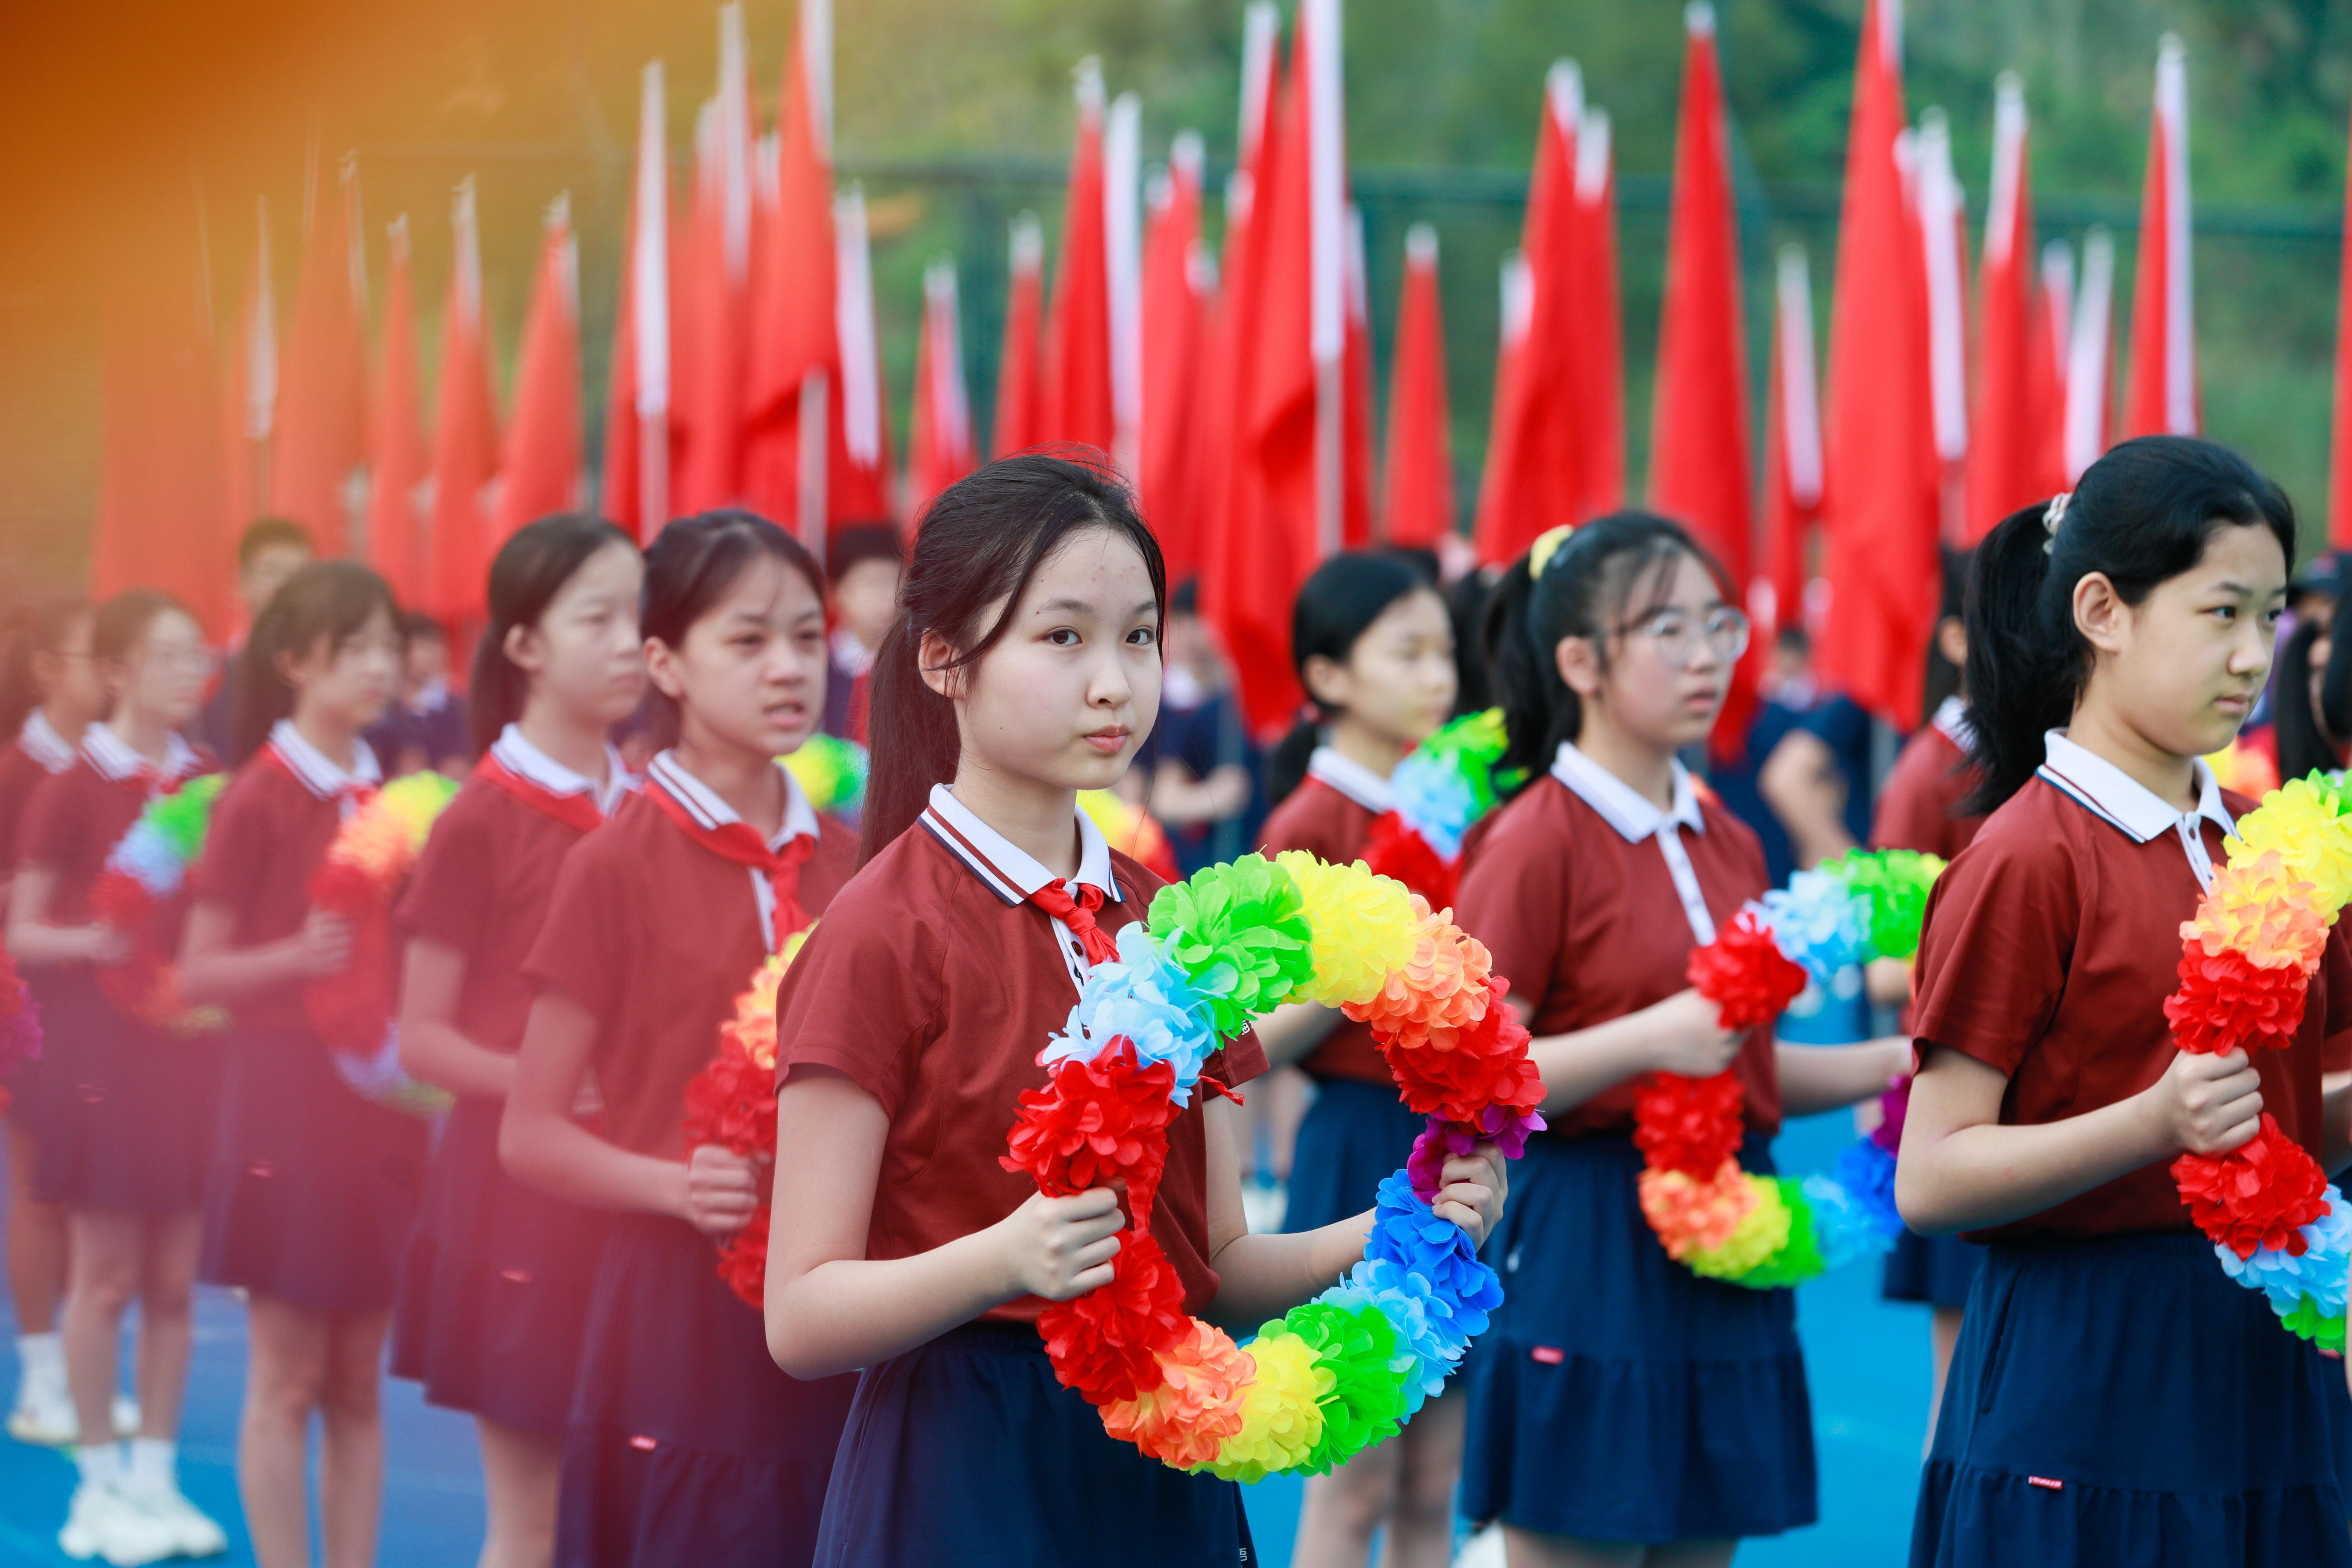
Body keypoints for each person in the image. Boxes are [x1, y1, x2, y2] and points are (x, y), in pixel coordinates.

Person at [760, 454, 1506, 1567]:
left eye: (1139, 636)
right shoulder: (882, 930)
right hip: (968, 1462)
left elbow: (1221, 1262)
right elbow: (801, 1315)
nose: (1113, 681)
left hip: (1163, 1449)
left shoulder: (1178, 921)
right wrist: (1003, 1257)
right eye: (1061, 637)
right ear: (943, 661)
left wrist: (1398, 1226)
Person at [1899, 437, 2352, 1566]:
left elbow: (2295, 1113)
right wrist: (2149, 1123)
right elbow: (1932, 1170)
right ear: (2100, 609)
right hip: (2088, 1371)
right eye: (2218, 613)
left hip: (2264, 1360)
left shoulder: (2267, 843)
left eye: (2271, 615)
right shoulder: (2024, 856)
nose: (2253, 655)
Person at [1456, 513, 1907, 1568]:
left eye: (1718, 623)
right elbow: (1474, 1080)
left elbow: (1740, 1062)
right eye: (1666, 628)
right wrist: (1646, 1036)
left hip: (1729, 1238)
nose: (1705, 654)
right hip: (1590, 1238)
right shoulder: (1531, 839)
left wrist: (1900, 1064)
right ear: (1579, 660)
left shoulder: (1726, 835)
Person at [501, 510, 861, 1568]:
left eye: (807, 635)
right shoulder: (614, 864)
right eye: (747, 641)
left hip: (841, 1289)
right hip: (678, 1305)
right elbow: (530, 1132)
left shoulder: (852, 859)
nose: (789, 668)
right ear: (664, 660)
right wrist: (671, 1183)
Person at [391, 518, 645, 1568]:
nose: (631, 641)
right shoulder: (478, 819)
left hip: (633, 1195)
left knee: (631, 1509)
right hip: (518, 1208)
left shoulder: (649, 811)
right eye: (600, 618)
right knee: (533, 1524)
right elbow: (421, 1038)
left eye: (643, 616)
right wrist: (549, 1085)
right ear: (526, 645)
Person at [179, 561, 418, 1568]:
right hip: (284, 1099)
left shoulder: (394, 795)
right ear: (293, 662)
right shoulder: (257, 797)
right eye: (352, 648)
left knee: (361, 1377)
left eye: (387, 648)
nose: (379, 668)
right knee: (285, 1377)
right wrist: (292, 957)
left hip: (382, 1105)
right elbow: (196, 968)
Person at [1254, 551, 1463, 1568]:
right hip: (1357, 1146)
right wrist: (1363, 943)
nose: (1438, 675)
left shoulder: (1451, 811)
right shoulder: (1311, 823)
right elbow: (1251, 1040)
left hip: (1452, 1145)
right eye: (1408, 651)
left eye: (1445, 650)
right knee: (1355, 1473)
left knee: (1433, 1480)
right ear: (1328, 676)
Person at [8, 590, 227, 1561]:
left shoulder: (209, 779)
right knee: (103, 1278)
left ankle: (155, 1478)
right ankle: (96, 1483)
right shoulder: (73, 783)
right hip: (96, 1053)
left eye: (199, 655)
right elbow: (21, 929)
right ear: (117, 670)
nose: (192, 672)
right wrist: (96, 941)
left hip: (189, 1055)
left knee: (176, 1282)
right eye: (170, 656)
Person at [1865, 550, 1985, 1451]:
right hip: (1954, 1092)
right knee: (1965, 1387)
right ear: (1956, 639)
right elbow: (1878, 966)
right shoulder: (1928, 774)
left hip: (2015, 1100)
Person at [0, 598, 104, 1448]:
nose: (109, 673)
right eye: (91, 656)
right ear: (46, 672)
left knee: (84, 1196)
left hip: (100, 1012)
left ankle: (76, 1370)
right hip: (25, 1003)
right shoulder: (16, 775)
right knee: (39, 1193)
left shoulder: (114, 771)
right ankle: (40, 1378)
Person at [1139, 582, 1261, 878]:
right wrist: (1214, 798)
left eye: (1203, 619)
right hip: (1209, 867)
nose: (1195, 635)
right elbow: (1160, 799)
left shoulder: (1249, 701)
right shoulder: (1166, 704)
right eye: (1183, 621)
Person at [195, 518, 315, 761]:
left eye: (299, 575)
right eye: (272, 572)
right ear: (240, 583)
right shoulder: (209, 678)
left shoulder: (321, 675)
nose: (286, 586)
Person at [822, 523, 901, 746]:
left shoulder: (919, 665)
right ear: (836, 594)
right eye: (871, 583)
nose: (887, 597)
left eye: (894, 582)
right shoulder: (820, 667)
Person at [364, 613, 470, 779]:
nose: (434, 654)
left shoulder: (455, 707)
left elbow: (457, 769)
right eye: (422, 646)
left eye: (438, 645)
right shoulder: (380, 705)